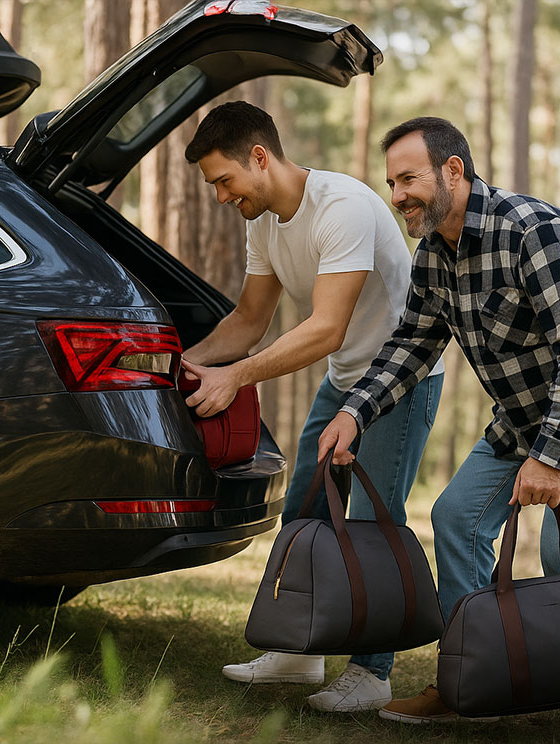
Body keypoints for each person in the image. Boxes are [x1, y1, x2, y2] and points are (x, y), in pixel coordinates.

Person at [318, 117, 560, 735]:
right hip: (523, 414)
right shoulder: (433, 256)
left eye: (409, 178)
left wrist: (552, 457)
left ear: (454, 170)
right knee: (455, 519)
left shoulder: (535, 230)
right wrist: (353, 410)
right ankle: (474, 674)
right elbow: (411, 346)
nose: (397, 195)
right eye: (391, 182)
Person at [180, 101, 444, 712]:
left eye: (224, 180)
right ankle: (300, 651)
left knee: (375, 523)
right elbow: (248, 321)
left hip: (398, 383)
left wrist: (235, 379)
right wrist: (185, 364)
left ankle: (372, 672)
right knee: (304, 509)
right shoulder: (264, 224)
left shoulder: (342, 208)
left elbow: (326, 328)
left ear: (260, 157)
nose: (221, 196)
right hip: (344, 379)